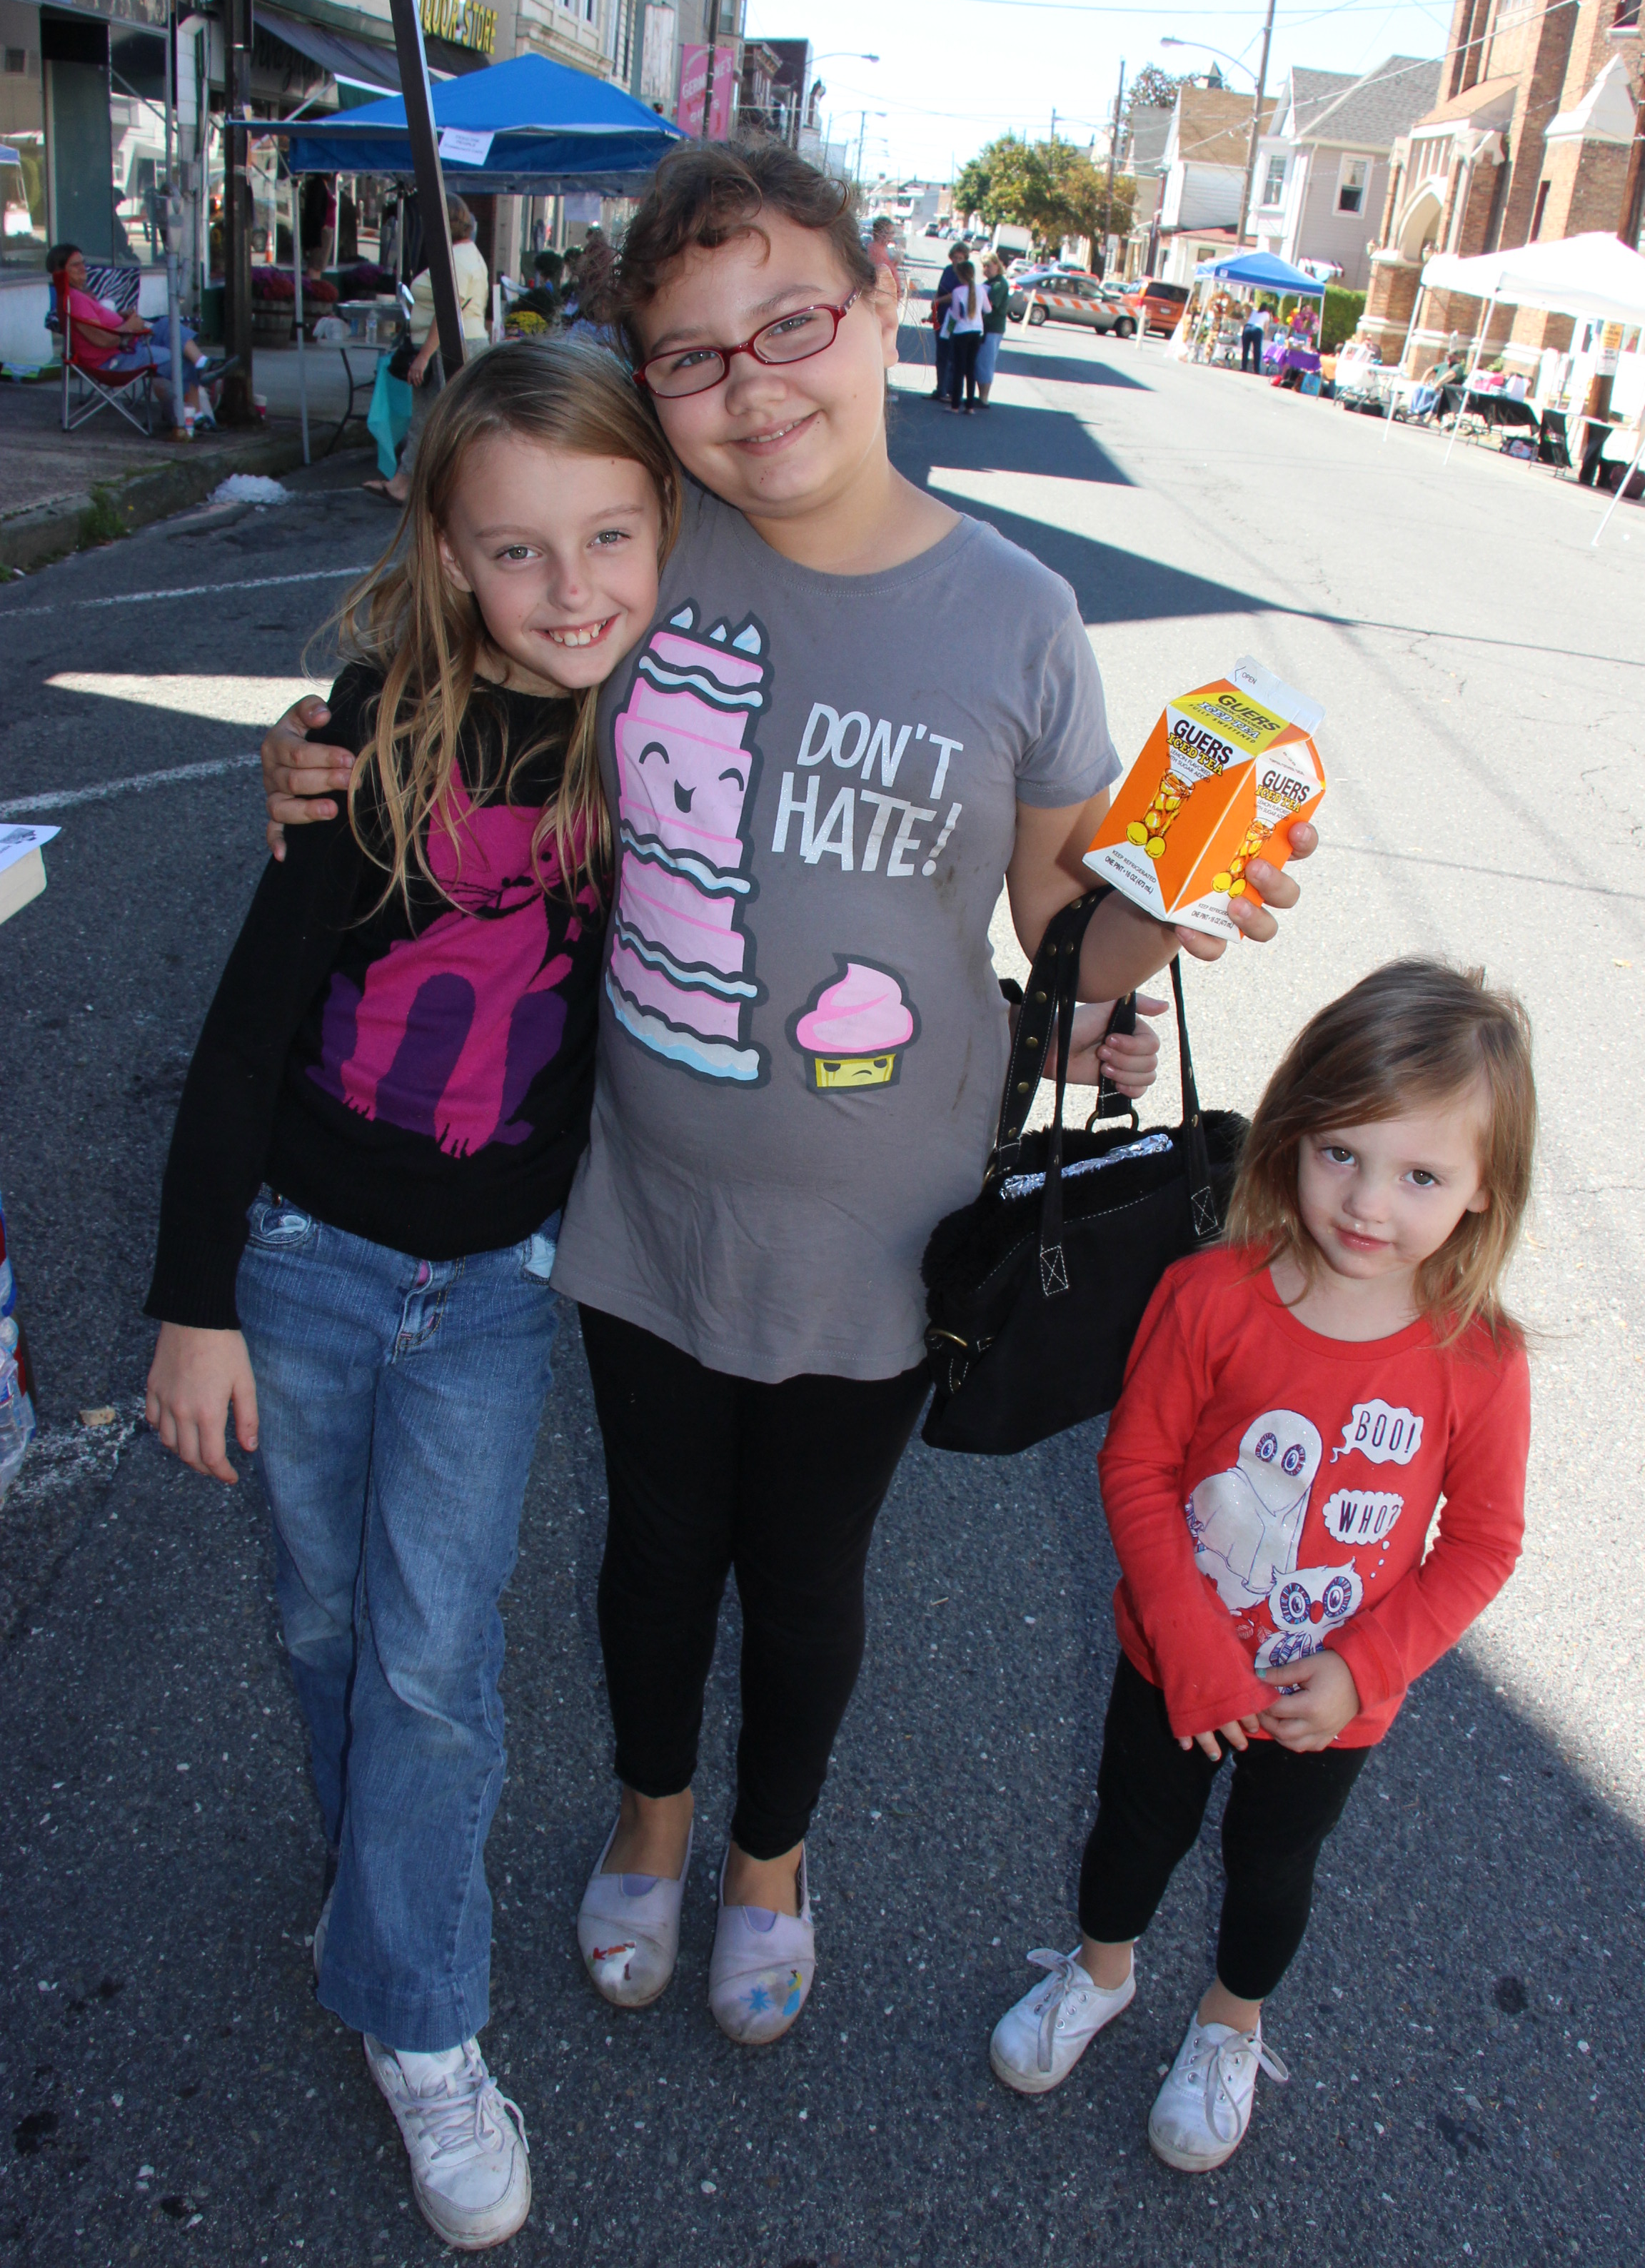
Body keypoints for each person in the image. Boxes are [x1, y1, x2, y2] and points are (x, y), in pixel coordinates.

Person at [260, 138, 1315, 2055]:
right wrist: (316, 746)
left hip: (887, 1227)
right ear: (647, 384)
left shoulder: (1018, 615)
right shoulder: (649, 545)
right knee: (659, 1546)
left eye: (792, 322)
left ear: (884, 300)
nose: (751, 384)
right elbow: (465, 667)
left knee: (809, 1570)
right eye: (690, 353)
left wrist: (1171, 914)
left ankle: (770, 1856)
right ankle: (654, 1818)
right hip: (641, 1190)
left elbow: (1060, 932)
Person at [144, 340, 680, 2249]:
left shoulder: (665, 745)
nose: (570, 588)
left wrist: (1059, 1010)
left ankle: (423, 2020)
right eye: (516, 549)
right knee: (324, 1623)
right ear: (449, 553)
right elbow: (243, 1035)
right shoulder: (371, 737)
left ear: (666, 530)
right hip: (301, 1262)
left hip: (497, 1289)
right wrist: (192, 1301)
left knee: (433, 1660)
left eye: (608, 536)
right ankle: (377, 1894)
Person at [989, 959, 1534, 2174]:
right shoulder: (1208, 1296)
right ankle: (1100, 1971)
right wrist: (1187, 1644)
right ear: (1291, 1132)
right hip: (1173, 1661)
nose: (1368, 1204)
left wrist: (1363, 1669)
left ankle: (1230, 2024)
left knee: (1271, 1866)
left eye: (1421, 1176)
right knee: (1132, 1833)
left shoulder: (1479, 1359)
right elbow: (1136, 1466)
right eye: (1340, 1152)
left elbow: (1482, 1542)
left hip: (1323, 1703)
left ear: (1482, 1191)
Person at [369, 195, 490, 506]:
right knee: (435, 416)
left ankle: (423, 484)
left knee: (440, 417)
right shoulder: (465, 254)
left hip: (449, 345)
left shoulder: (458, 259)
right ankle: (408, 481)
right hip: (456, 342)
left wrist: (423, 356)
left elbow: (449, 311)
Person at [46, 242, 233, 422]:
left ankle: (203, 363)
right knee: (180, 359)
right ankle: (196, 418)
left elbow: (98, 326)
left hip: (126, 347)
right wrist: (129, 327)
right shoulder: (76, 300)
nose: (83, 268)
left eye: (83, 263)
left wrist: (121, 317)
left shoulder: (77, 296)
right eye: (75, 265)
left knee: (166, 325)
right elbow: (101, 340)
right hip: (114, 361)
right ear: (61, 271)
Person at [943, 256, 987, 412]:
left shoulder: (958, 292)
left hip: (961, 331)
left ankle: (955, 405)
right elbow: (988, 309)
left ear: (960, 275)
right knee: (970, 369)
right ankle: (970, 406)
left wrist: (948, 329)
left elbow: (956, 315)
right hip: (977, 331)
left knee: (959, 369)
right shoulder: (981, 290)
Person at [930, 238, 967, 400]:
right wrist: (934, 307)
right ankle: (940, 388)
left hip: (953, 316)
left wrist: (939, 300)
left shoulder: (963, 275)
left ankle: (951, 390)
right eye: (955, 257)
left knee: (950, 352)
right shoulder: (947, 270)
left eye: (961, 258)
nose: (957, 261)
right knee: (941, 352)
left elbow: (956, 295)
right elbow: (940, 290)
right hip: (941, 313)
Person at [976, 253, 1010, 405]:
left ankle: (984, 398)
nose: (986, 269)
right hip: (983, 328)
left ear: (997, 265)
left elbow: (990, 306)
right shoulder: (988, 283)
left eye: (989, 266)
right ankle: (980, 396)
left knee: (986, 362)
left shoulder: (999, 284)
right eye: (984, 266)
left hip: (993, 329)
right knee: (980, 362)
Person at [1240, 298, 1270, 375]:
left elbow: (1248, 319)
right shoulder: (1267, 314)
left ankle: (1244, 367)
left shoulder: (1254, 312)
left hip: (1248, 327)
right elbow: (1266, 326)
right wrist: (1265, 335)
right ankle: (1256, 369)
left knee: (1245, 349)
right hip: (1257, 329)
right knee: (1256, 350)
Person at [869, 215, 900, 286]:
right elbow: (881, 276)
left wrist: (894, 264)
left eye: (893, 233)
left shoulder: (881, 249)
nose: (891, 236)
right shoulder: (876, 251)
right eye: (889, 233)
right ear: (879, 233)